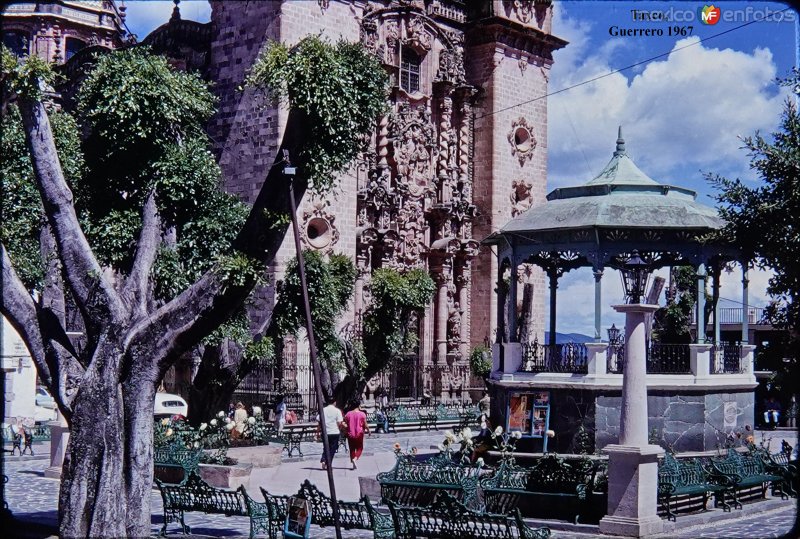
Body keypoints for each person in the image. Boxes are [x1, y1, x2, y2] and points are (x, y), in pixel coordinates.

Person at [318, 398, 344, 470]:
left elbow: (319, 421)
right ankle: (328, 463)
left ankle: (324, 459)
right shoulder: (337, 411)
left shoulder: (323, 410)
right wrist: (340, 428)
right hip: (334, 432)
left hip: (325, 432)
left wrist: (317, 432)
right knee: (333, 449)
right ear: (334, 402)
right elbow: (339, 422)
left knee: (325, 447)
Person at [344, 401, 370, 470]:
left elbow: (346, 424)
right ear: (358, 406)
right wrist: (369, 431)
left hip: (350, 434)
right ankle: (355, 458)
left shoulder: (348, 414)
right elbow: (365, 424)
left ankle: (353, 464)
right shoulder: (362, 414)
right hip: (359, 433)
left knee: (352, 449)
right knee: (360, 448)